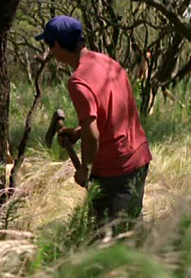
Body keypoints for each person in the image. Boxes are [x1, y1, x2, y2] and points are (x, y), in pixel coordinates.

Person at [35, 16, 152, 223]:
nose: (50, 52)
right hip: (139, 158)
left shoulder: (78, 81)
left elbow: (93, 134)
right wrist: (78, 133)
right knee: (132, 228)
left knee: (109, 240)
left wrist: (85, 169)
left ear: (59, 45)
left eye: (49, 45)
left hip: (116, 170)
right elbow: (113, 112)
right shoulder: (108, 63)